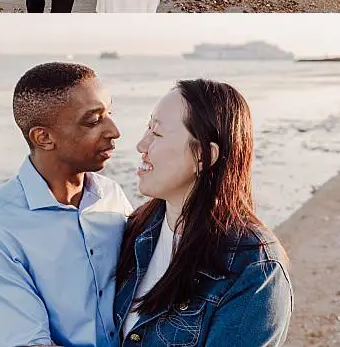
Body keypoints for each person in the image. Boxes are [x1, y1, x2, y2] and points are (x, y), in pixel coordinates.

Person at [0, 62, 131, 347]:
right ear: (44, 137)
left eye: (110, 114)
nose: (114, 131)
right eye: (93, 121)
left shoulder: (111, 195)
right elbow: (30, 342)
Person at [115, 80, 291, 344]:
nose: (142, 145)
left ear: (203, 155)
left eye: (157, 134)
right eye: (147, 128)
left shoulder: (253, 268)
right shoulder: (134, 231)